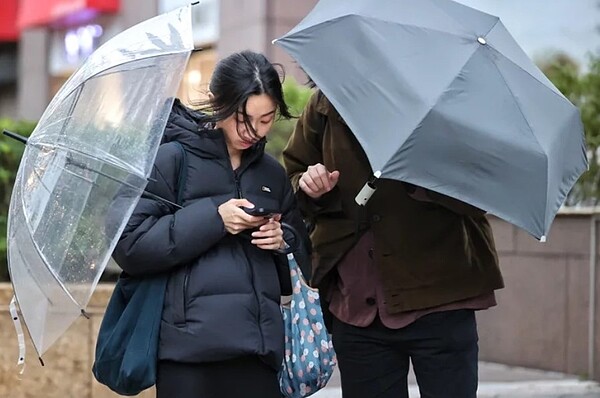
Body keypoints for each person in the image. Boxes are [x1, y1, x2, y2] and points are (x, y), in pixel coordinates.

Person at [112, 50, 310, 398]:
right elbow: (129, 245)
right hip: (187, 357)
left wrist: (282, 241)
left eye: (266, 120)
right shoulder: (171, 159)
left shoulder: (270, 173)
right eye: (243, 118)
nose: (254, 131)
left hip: (257, 354)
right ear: (219, 103)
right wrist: (215, 218)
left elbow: (301, 259)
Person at [282, 90, 505, 398]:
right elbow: (293, 176)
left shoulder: (448, 99)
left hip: (442, 298)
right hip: (357, 305)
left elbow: (484, 188)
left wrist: (422, 176)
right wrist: (311, 187)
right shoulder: (327, 101)